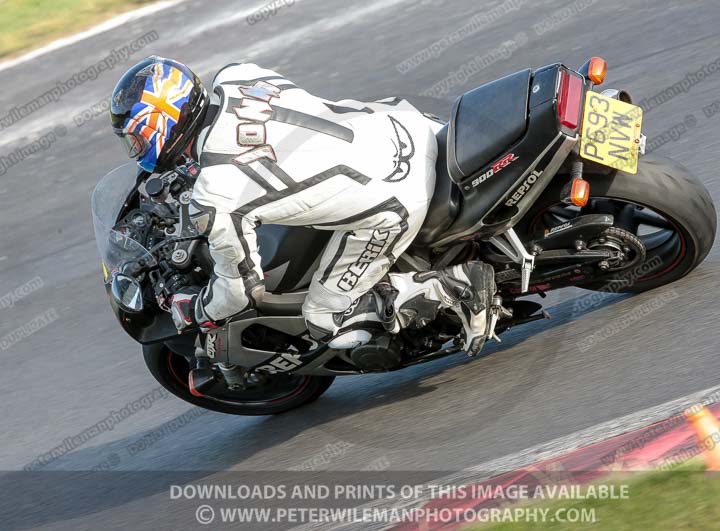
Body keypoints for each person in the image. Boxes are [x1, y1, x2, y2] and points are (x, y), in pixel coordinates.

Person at [109, 56, 496, 356]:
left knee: (324, 317)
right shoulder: (236, 74)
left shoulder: (217, 192)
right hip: (405, 127)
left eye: (136, 141)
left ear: (158, 124)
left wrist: (192, 310)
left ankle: (456, 288)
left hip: (395, 197)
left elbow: (242, 292)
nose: (137, 152)